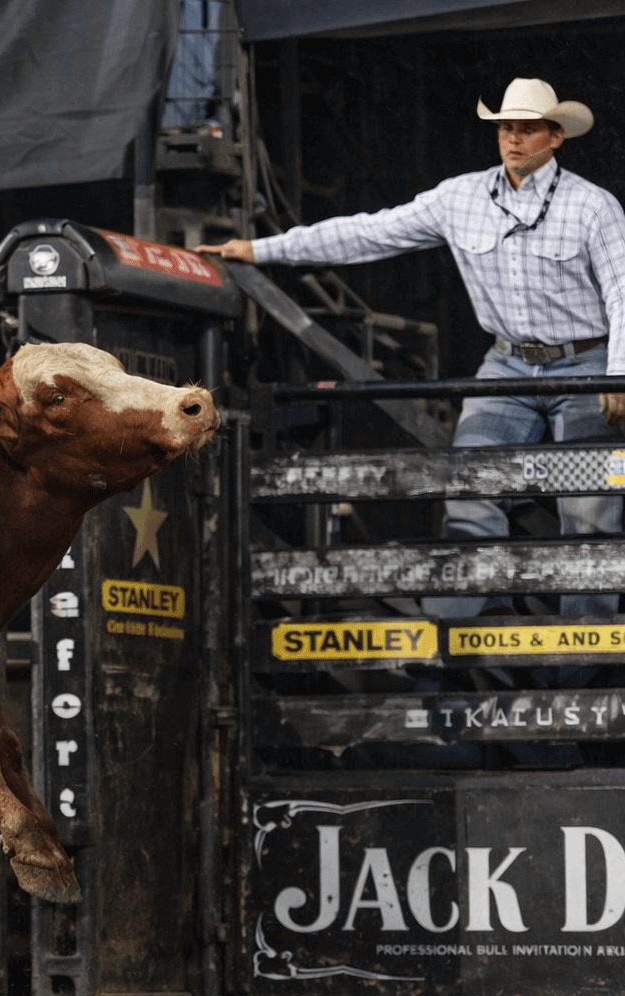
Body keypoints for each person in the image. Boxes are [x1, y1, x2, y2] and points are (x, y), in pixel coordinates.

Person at [200, 77, 625, 641]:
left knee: (590, 514)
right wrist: (262, 250)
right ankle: (464, 645)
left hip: (586, 363)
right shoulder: (461, 198)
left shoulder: (593, 207)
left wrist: (619, 375)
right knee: (468, 488)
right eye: (505, 127)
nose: (513, 138)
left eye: (526, 128)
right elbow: (368, 234)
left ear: (555, 136)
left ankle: (587, 667)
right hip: (507, 365)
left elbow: (622, 293)